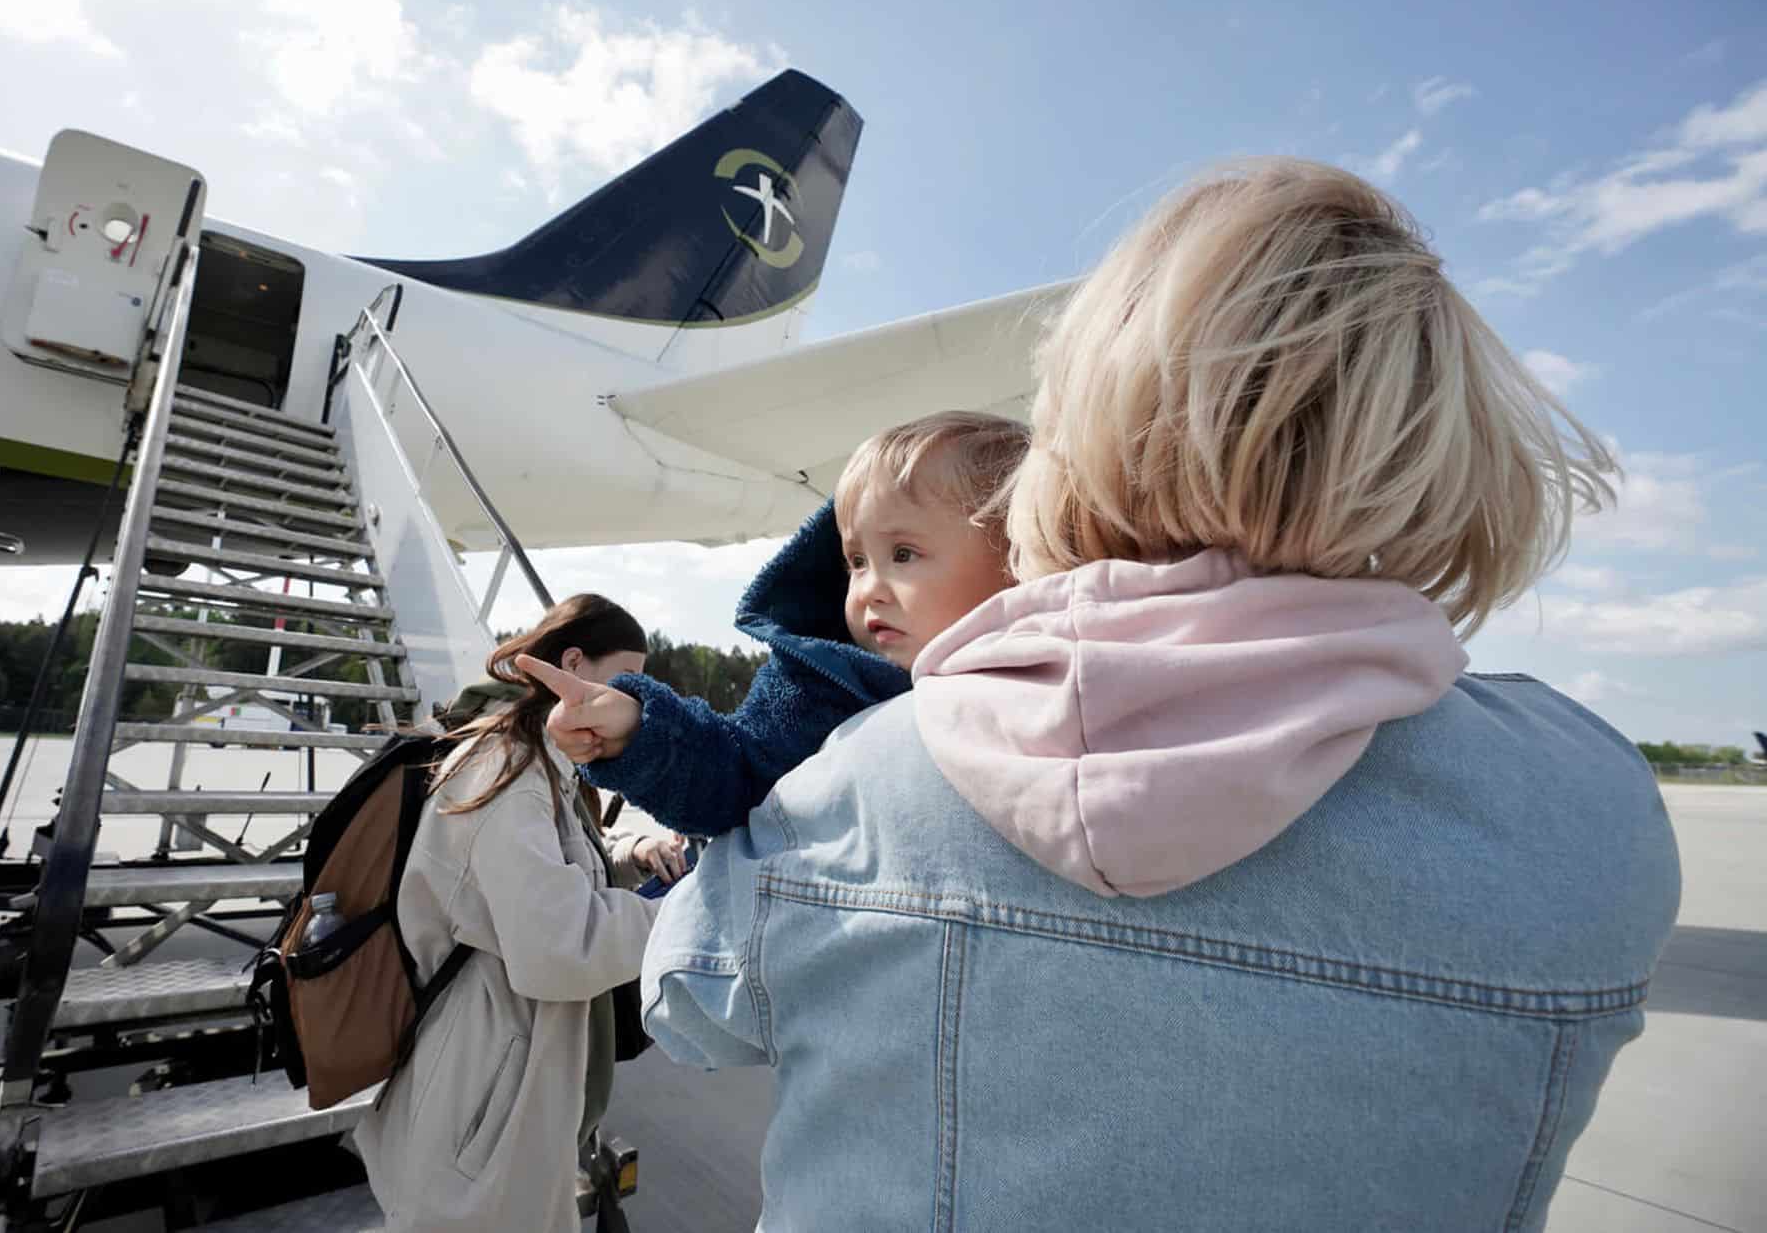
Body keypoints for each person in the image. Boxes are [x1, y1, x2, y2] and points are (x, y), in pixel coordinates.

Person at [633, 160, 1682, 1230]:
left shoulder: (863, 772)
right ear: (1444, 444)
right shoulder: (1595, 805)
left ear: (1079, 443)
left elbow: (688, 1008)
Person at [517, 410, 1031, 838]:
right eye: (855, 561)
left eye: (903, 554)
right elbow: (732, 778)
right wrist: (636, 733)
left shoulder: (1063, 674)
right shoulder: (819, 684)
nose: (869, 587)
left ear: (1017, 560)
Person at [353, 594, 671, 1233]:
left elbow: (553, 864)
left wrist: (635, 855)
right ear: (573, 662)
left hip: (503, 1084)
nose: (627, 702)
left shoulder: (535, 760)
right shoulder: (504, 766)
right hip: (482, 1106)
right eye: (623, 680)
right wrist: (690, 912)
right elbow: (561, 945)